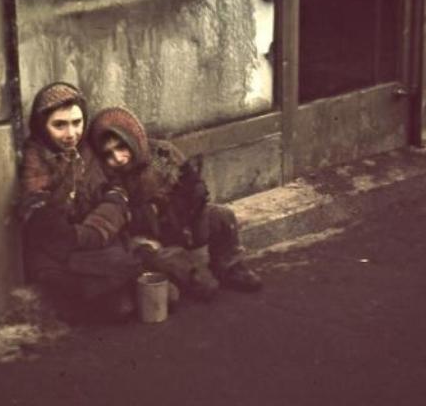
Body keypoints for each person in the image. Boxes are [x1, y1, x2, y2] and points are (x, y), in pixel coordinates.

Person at [88, 106, 263, 298]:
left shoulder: (159, 155)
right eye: (108, 154)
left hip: (180, 221)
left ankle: (230, 266)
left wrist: (192, 221)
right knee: (203, 285)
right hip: (149, 237)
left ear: (133, 139)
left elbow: (192, 188)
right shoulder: (112, 178)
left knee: (222, 216)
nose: (118, 158)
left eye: (122, 147)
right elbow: (126, 218)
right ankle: (190, 274)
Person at [18, 83, 145, 321]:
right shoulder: (35, 158)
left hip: (95, 237)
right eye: (59, 125)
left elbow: (116, 192)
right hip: (59, 248)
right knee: (107, 273)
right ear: (42, 125)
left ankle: (106, 295)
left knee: (122, 263)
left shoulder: (88, 150)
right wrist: (75, 237)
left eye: (77, 123)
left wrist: (95, 230)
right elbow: (37, 211)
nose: (71, 134)